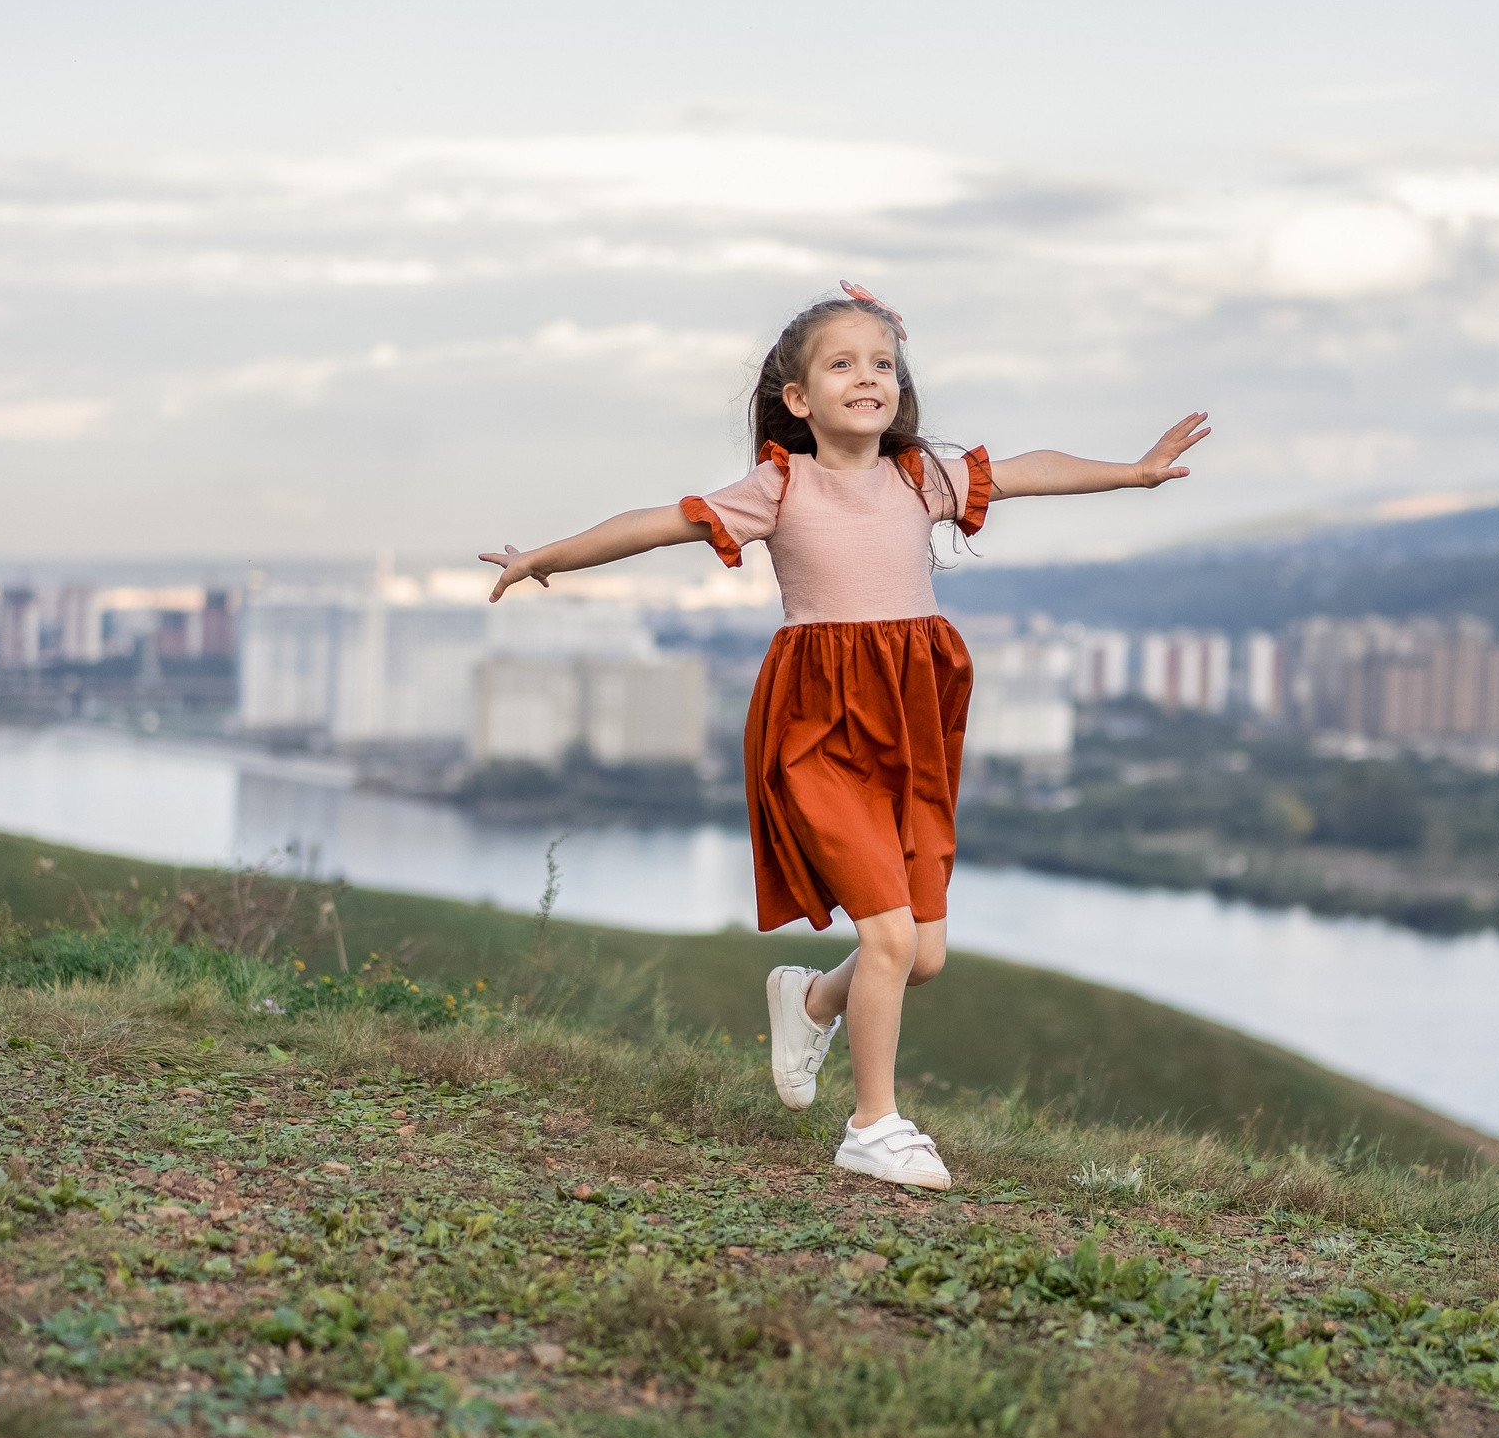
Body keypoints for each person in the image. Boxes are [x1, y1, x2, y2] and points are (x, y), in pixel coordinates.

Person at [482, 283, 1208, 1189]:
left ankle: (811, 997)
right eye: (842, 363)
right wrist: (541, 555)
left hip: (912, 724)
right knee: (894, 939)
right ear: (798, 399)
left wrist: (1132, 473)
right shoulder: (778, 487)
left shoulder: (921, 477)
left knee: (921, 955)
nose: (869, 377)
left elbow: (1030, 467)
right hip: (818, 727)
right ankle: (874, 1125)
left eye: (883, 363)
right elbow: (653, 526)